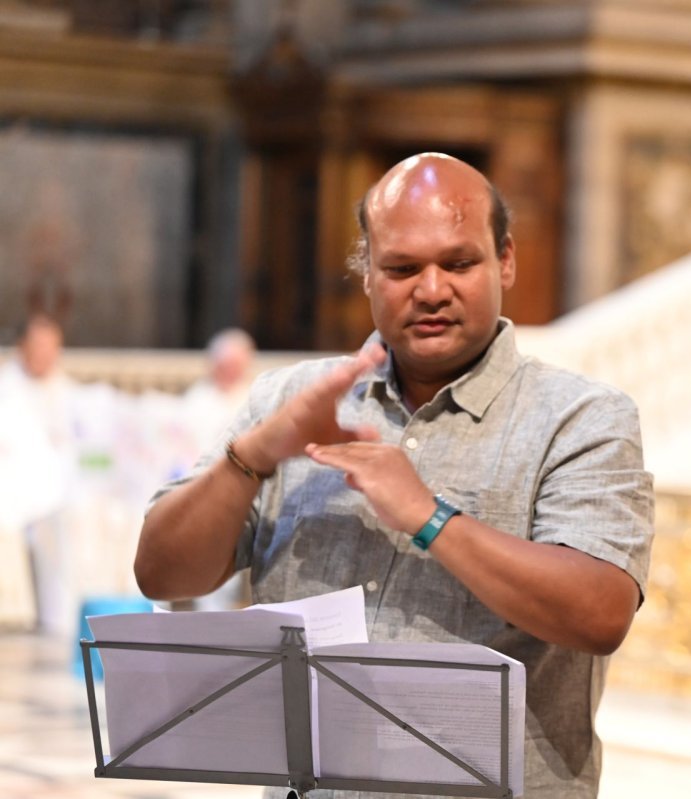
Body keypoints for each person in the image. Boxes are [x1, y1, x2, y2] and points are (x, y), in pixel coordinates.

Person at [134, 153, 655, 798]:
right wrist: (254, 455)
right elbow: (161, 572)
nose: (431, 290)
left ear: (507, 261)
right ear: (367, 275)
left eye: (459, 263)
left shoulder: (581, 417)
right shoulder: (287, 401)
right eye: (402, 268)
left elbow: (601, 613)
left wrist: (428, 516)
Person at [0, 313, 79, 633]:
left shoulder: (67, 390)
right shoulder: (6, 386)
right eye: (39, 345)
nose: (45, 354)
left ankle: (63, 615)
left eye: (52, 346)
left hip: (57, 488)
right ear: (22, 347)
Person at [180, 327, 258, 611]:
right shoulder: (197, 400)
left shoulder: (254, 398)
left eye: (236, 365)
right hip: (202, 485)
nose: (230, 371)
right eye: (225, 365)